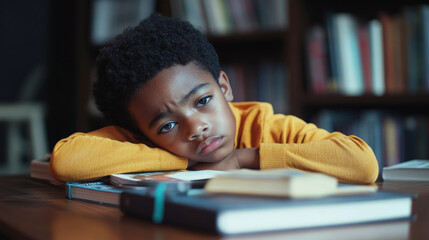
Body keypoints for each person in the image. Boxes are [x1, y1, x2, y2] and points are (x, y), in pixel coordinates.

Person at [50, 13, 378, 184]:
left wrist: (241, 159)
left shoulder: (269, 127)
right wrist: (184, 163)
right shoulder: (145, 141)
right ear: (142, 135)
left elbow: (363, 164)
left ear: (224, 87)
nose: (196, 128)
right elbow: (66, 161)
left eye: (203, 101)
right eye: (167, 126)